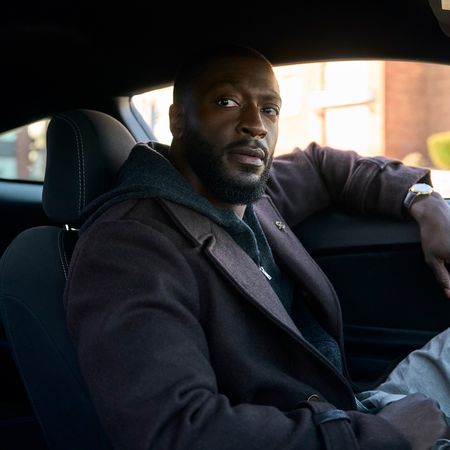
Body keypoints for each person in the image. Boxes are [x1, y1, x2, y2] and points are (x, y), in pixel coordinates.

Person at [64, 44, 450, 449]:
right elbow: (177, 430)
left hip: (350, 411)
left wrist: (424, 201)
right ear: (179, 119)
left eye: (270, 109)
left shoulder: (244, 194)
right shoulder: (128, 249)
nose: (256, 125)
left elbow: (322, 166)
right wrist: (383, 436)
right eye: (227, 101)